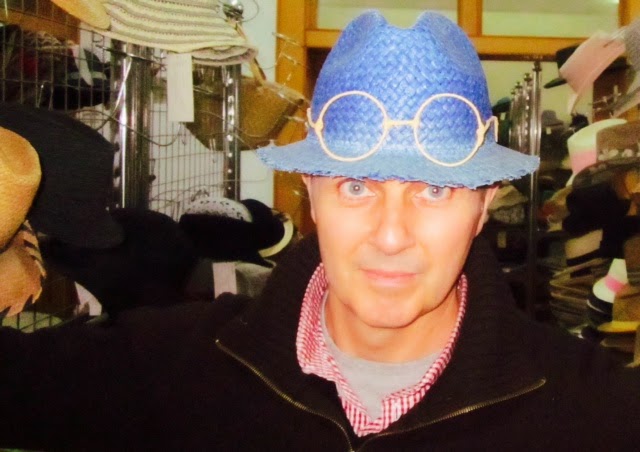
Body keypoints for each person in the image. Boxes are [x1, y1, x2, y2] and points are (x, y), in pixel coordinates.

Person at [0, 10, 639, 451]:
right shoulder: (171, 369)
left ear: (483, 205)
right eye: (357, 187)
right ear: (310, 192)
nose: (391, 235)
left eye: (435, 190)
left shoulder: (591, 411)